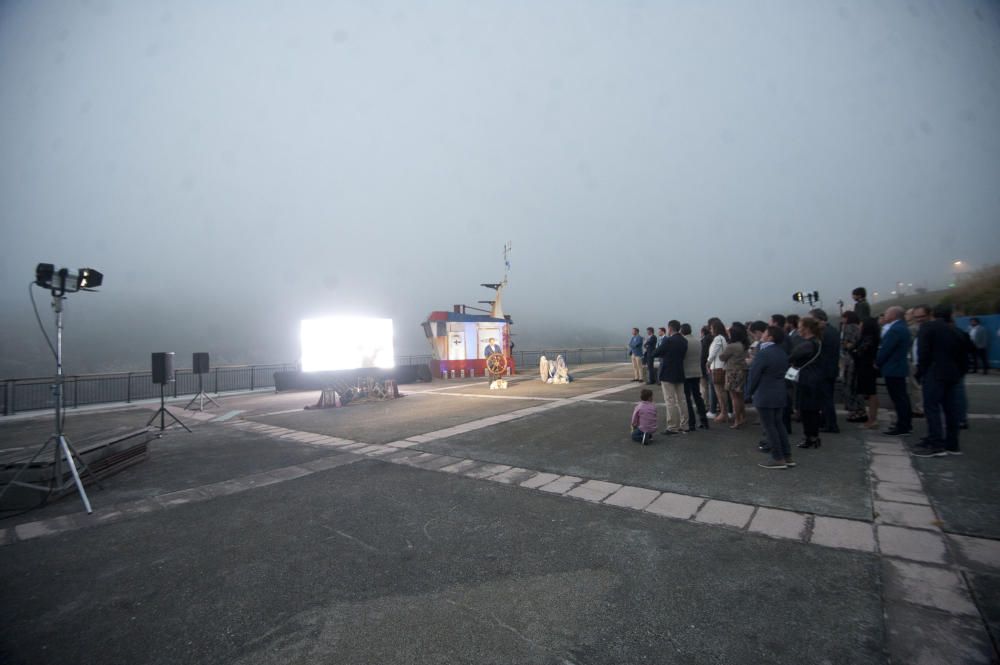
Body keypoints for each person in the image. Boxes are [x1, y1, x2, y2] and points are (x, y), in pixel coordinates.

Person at [912, 305, 967, 457]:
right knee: (951, 409)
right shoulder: (956, 330)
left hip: (934, 373)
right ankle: (952, 444)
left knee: (932, 408)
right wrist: (959, 372)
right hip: (953, 374)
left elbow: (923, 353)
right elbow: (965, 354)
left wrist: (921, 372)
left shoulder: (928, 327)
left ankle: (936, 443)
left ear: (932, 314)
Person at [750, 326, 793, 469]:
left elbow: (754, 375)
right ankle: (787, 455)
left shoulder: (763, 353)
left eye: (765, 333)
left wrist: (748, 393)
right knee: (779, 425)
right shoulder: (781, 352)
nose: (762, 335)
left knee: (769, 427)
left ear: (770, 337)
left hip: (765, 393)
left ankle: (777, 458)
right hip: (779, 392)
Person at [876, 306, 913, 436]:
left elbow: (886, 349)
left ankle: (903, 425)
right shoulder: (903, 327)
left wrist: (877, 362)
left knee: (898, 398)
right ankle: (905, 423)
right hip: (899, 367)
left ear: (893, 315)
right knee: (902, 397)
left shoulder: (895, 330)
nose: (885, 315)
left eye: (886, 313)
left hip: (893, 368)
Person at [790, 317, 825, 449]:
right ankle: (813, 437)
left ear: (806, 328)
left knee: (807, 411)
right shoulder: (817, 342)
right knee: (812, 411)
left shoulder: (807, 344)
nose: (798, 329)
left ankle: (810, 437)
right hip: (814, 378)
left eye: (800, 326)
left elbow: (792, 356)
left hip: (807, 379)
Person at [809, 308, 840, 434]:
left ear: (818, 319)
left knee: (826, 399)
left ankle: (830, 424)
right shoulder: (833, 330)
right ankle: (827, 422)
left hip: (824, 370)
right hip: (831, 369)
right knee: (827, 398)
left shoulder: (824, 333)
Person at [654, 320, 688, 434]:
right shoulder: (684, 341)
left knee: (670, 400)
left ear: (670, 328)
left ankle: (673, 426)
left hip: (668, 373)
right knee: (681, 400)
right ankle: (685, 425)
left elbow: (656, 352)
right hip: (679, 372)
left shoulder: (668, 340)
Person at [852, 317, 881, 429]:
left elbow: (859, 352)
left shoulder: (868, 339)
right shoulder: (873, 338)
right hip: (867, 367)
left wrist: (853, 350)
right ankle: (872, 418)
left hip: (866, 368)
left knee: (871, 393)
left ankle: (872, 420)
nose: (859, 326)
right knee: (870, 393)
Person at [720, 323, 749, 428]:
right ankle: (743, 416)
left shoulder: (731, 346)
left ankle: (737, 420)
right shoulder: (743, 345)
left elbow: (722, 357)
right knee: (740, 395)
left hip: (732, 371)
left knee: (734, 397)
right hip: (742, 370)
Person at [840, 311, 867, 422]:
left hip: (850, 360)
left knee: (850, 385)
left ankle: (855, 411)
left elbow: (849, 343)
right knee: (856, 386)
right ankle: (860, 410)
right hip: (856, 360)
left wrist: (844, 345)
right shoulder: (858, 327)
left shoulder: (849, 328)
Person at [681, 323, 709, 430]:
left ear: (682, 331)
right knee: (698, 396)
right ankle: (704, 420)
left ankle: (691, 423)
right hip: (697, 371)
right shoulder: (698, 341)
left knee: (687, 398)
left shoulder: (683, 341)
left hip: (686, 372)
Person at [706, 319, 730, 423]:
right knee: (721, 391)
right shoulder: (723, 338)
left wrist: (707, 362)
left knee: (720, 392)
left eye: (711, 328)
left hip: (717, 368)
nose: (710, 330)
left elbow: (713, 353)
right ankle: (724, 412)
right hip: (721, 367)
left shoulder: (718, 339)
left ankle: (723, 413)